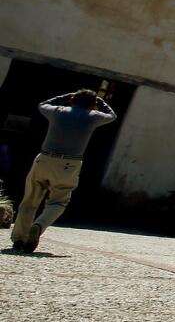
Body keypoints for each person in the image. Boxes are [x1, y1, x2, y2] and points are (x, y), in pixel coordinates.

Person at [10, 89, 117, 252]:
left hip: (45, 158)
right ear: (93, 104)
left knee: (29, 201)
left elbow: (42, 104)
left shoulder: (58, 112)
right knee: (59, 201)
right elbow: (112, 115)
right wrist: (100, 102)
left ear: (73, 100)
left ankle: (19, 239)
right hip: (70, 163)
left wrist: (65, 97)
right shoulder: (93, 116)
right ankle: (39, 225)